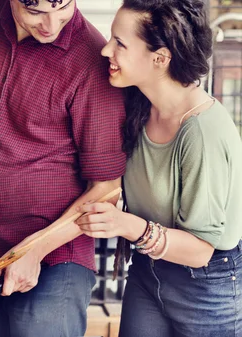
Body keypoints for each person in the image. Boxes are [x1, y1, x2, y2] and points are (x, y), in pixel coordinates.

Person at [0, 0, 127, 336]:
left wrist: (34, 250)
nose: (51, 25)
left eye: (62, 6)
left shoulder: (93, 57)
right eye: (35, 12)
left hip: (56, 256)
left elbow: (107, 190)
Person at [74, 0, 242, 336]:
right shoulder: (138, 105)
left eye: (120, 43)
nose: (106, 50)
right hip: (147, 273)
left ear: (160, 59)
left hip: (207, 287)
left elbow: (199, 251)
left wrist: (126, 225)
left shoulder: (202, 132)